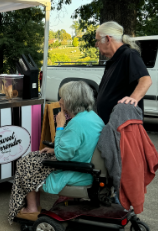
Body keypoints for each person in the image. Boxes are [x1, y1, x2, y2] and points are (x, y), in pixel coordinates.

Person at [8, 80, 104, 223]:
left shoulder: (77, 123)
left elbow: (62, 155)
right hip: (87, 165)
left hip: (77, 171)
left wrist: (59, 126)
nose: (60, 101)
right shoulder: (92, 116)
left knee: (25, 163)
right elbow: (79, 145)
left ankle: (32, 209)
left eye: (62, 98)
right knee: (34, 158)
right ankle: (33, 206)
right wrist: (54, 149)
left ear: (71, 101)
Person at [95, 21, 152, 125]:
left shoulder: (129, 54)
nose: (96, 45)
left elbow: (146, 80)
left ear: (108, 39)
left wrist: (132, 99)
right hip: (111, 125)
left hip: (122, 126)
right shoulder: (113, 60)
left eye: (98, 41)